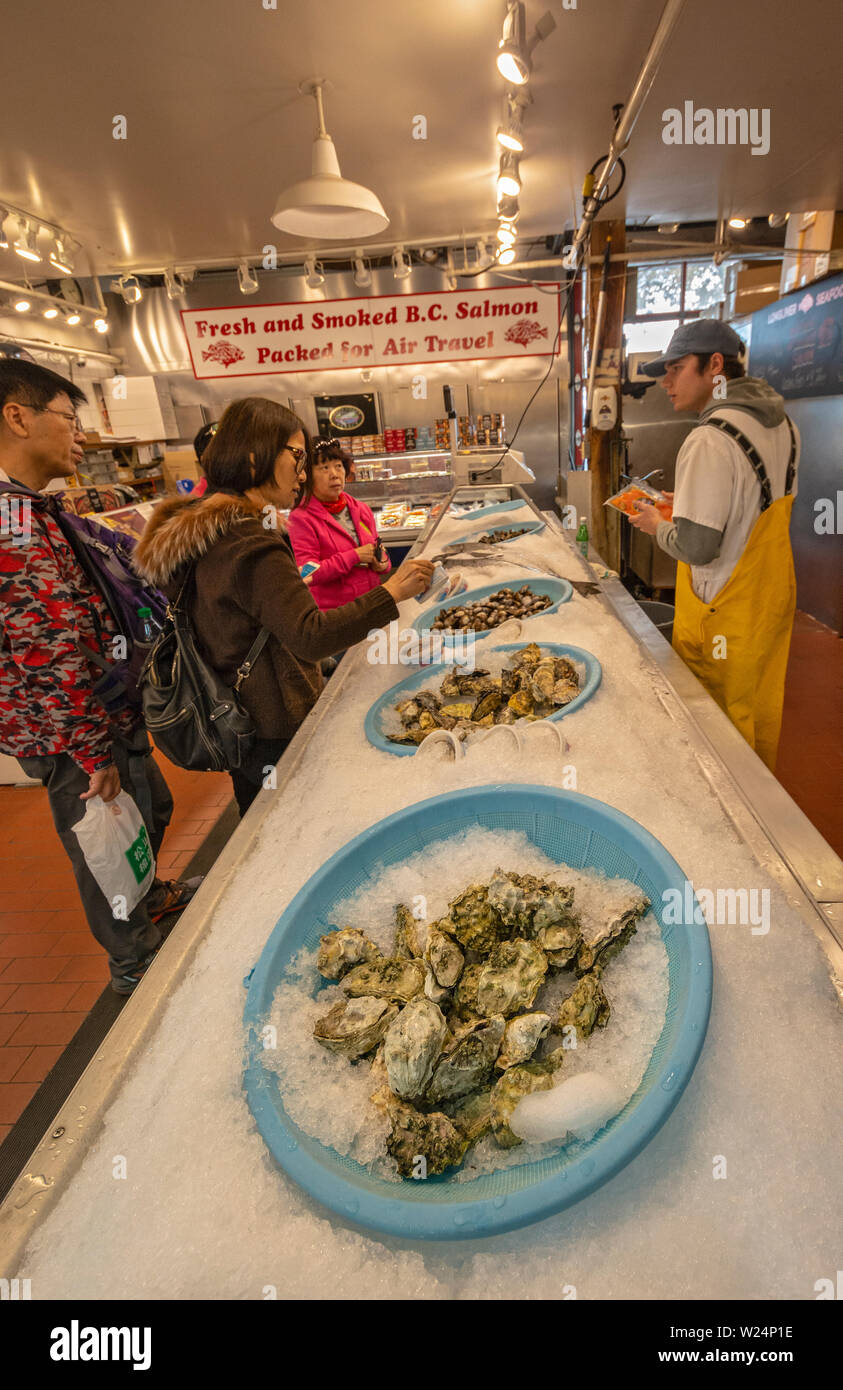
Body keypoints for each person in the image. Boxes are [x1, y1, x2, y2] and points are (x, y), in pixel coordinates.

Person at [133, 398, 433, 815]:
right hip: (273, 722)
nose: (305, 471)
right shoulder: (248, 540)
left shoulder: (203, 530)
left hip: (237, 717)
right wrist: (393, 592)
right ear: (257, 454)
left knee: (259, 813)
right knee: (288, 818)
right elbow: (311, 635)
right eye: (298, 455)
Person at [0, 361, 193, 995]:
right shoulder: (13, 522)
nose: (80, 434)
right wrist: (90, 752)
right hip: (72, 731)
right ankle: (132, 959)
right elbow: (47, 652)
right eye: (69, 418)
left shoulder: (34, 508)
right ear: (18, 416)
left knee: (147, 811)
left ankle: (148, 900)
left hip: (105, 710)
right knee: (102, 843)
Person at [629, 320, 800, 770]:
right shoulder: (782, 423)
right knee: (756, 706)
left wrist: (655, 523)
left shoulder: (708, 438)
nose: (665, 382)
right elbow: (745, 506)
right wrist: (679, 504)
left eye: (677, 368)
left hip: (721, 609)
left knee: (718, 728)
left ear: (716, 366)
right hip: (768, 598)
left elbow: (699, 547)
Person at [286, 438, 391, 610]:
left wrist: (383, 563)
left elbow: (378, 547)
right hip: (337, 615)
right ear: (308, 476)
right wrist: (354, 556)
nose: (334, 474)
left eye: (338, 466)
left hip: (373, 604)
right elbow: (306, 571)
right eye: (324, 468)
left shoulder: (361, 508)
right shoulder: (300, 518)